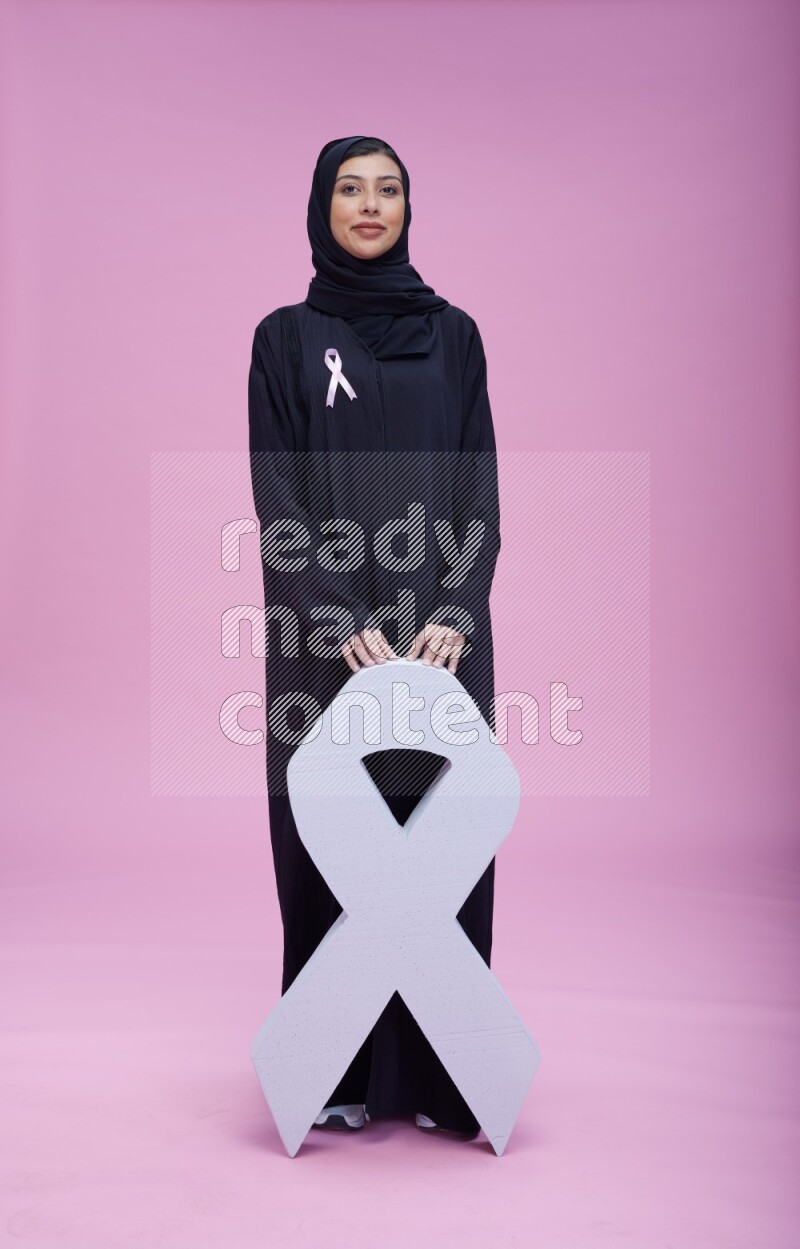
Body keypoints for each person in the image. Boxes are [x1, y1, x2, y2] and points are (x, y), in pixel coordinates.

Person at [248, 135, 501, 1138]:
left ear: (407, 208)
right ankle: (335, 1071)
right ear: (322, 206)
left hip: (440, 637)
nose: (368, 204)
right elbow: (277, 497)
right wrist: (336, 617)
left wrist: (456, 609)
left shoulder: (456, 336)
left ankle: (447, 1079)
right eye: (349, 188)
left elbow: (479, 489)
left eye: (387, 189)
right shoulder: (284, 339)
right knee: (331, 840)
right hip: (326, 639)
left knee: (442, 839)